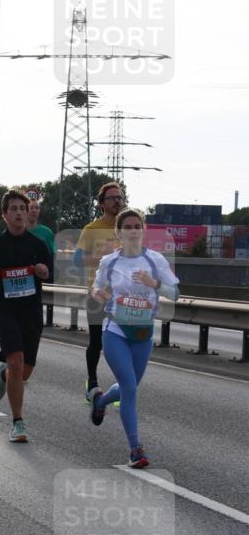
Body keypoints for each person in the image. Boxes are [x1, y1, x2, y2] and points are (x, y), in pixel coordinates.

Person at [89, 208, 179, 468]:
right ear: (118, 232)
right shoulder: (110, 262)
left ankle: (101, 400)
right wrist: (101, 295)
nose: (132, 230)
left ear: (143, 229)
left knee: (129, 388)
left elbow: (175, 294)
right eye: (126, 226)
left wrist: (155, 284)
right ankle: (135, 449)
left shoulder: (156, 261)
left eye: (136, 226)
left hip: (143, 332)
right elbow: (97, 287)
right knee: (128, 388)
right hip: (116, 329)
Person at [0, 190, 53, 442]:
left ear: (27, 214)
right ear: (4, 215)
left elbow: (51, 275)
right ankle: (18, 423)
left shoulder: (38, 245)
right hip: (5, 312)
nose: (18, 213)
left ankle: (3, 375)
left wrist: (43, 271)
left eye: (22, 209)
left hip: (31, 313)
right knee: (16, 360)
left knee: (23, 372)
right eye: (13, 209)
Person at [73, 183, 124, 401]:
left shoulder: (129, 227)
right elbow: (76, 260)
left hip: (123, 296)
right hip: (97, 294)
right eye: (112, 198)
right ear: (102, 204)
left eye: (119, 197)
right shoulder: (91, 229)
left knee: (122, 343)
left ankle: (120, 388)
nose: (117, 201)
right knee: (96, 341)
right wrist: (102, 258)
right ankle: (91, 382)